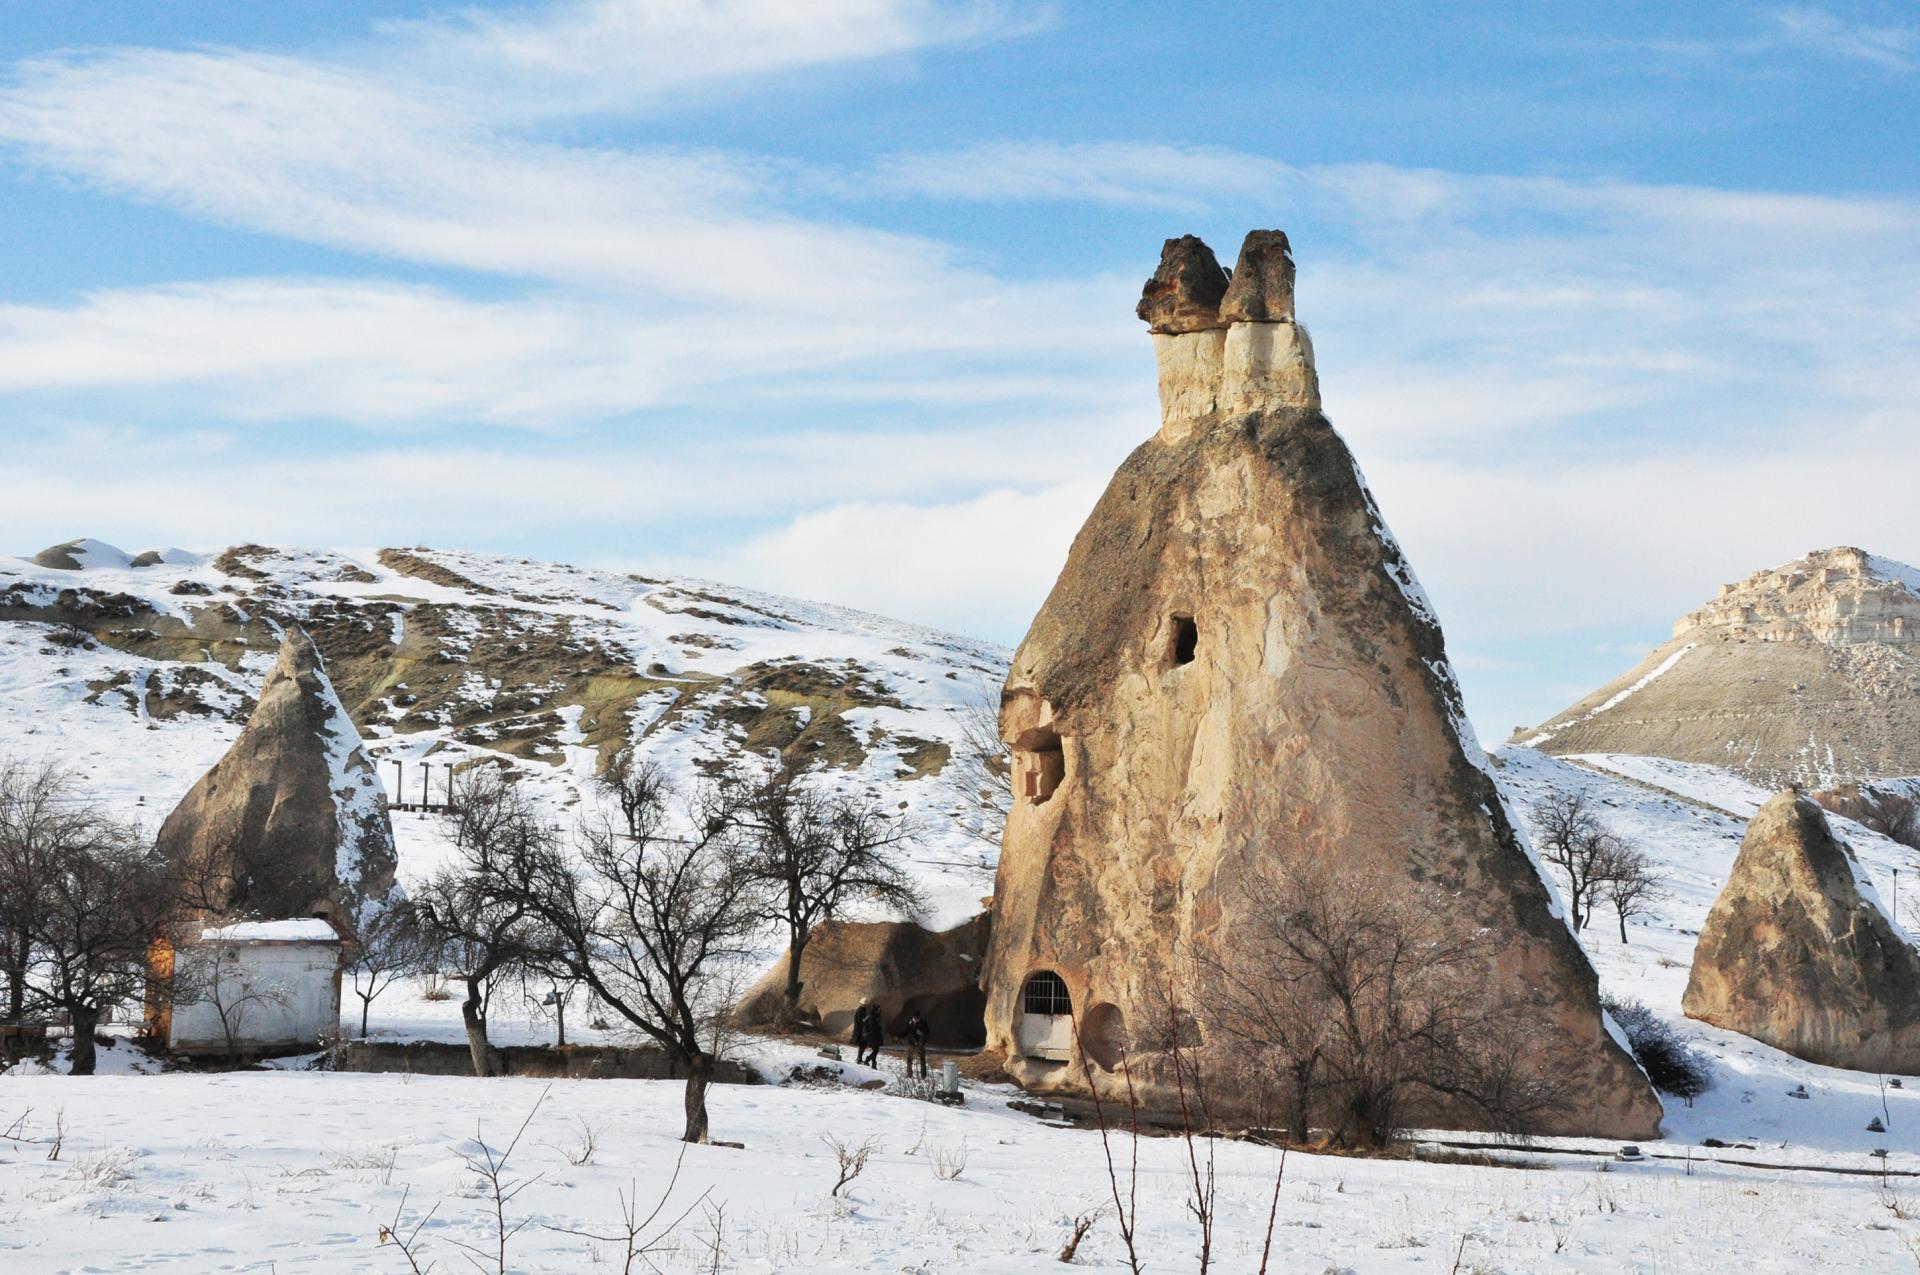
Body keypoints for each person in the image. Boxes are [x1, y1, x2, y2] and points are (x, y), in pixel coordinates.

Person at [903, 1007, 930, 1080]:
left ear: (919, 1017)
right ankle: (909, 1073)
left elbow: (927, 1033)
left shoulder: (923, 1023)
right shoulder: (910, 1022)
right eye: (914, 1018)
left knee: (922, 1059)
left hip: (920, 1044)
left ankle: (923, 1076)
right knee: (909, 1058)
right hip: (911, 1042)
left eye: (916, 1018)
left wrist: (922, 1034)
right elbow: (906, 1031)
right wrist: (899, 1036)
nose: (915, 1019)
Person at [862, 1002, 884, 1068]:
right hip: (872, 1036)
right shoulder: (872, 1017)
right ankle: (873, 1064)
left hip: (876, 1036)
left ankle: (868, 1060)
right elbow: (873, 1027)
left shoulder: (876, 1016)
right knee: (875, 1050)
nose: (880, 1011)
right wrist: (879, 1027)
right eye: (879, 1010)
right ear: (876, 1010)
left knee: (876, 1050)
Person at [850, 1002, 871, 1067]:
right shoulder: (860, 1011)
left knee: (863, 1045)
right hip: (859, 1031)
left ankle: (859, 1058)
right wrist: (867, 1017)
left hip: (860, 1031)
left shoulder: (862, 1010)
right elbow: (861, 1022)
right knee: (863, 1044)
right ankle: (859, 1058)